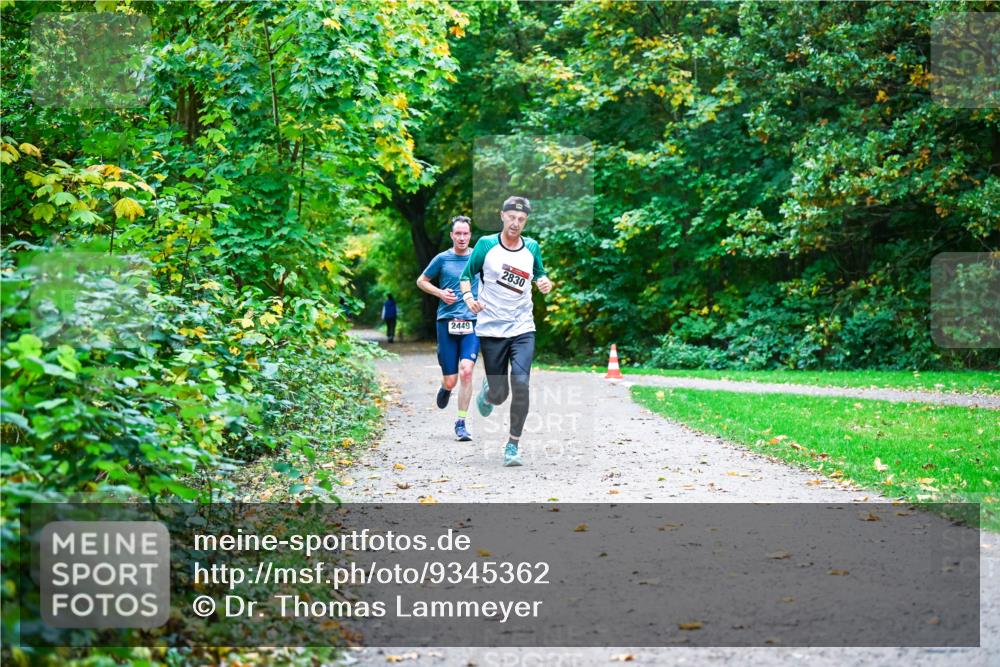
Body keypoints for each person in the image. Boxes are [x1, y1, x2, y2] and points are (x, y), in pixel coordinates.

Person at [459, 196, 553, 467]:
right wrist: (468, 299)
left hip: (523, 328)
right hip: (491, 329)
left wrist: (544, 281)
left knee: (521, 385)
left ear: (526, 221)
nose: (516, 223)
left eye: (521, 220)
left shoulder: (532, 247)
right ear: (502, 216)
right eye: (512, 217)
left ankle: (512, 445)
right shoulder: (486, 246)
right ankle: (489, 391)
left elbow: (539, 273)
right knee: (500, 395)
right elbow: (466, 276)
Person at [416, 215, 480, 441]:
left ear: (470, 235)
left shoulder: (478, 258)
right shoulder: (442, 259)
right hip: (447, 323)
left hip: (472, 323)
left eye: (466, 233)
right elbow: (421, 281)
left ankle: (461, 422)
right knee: (452, 379)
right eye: (458, 233)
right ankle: (446, 387)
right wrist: (440, 293)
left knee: (467, 370)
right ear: (452, 235)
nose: (462, 237)